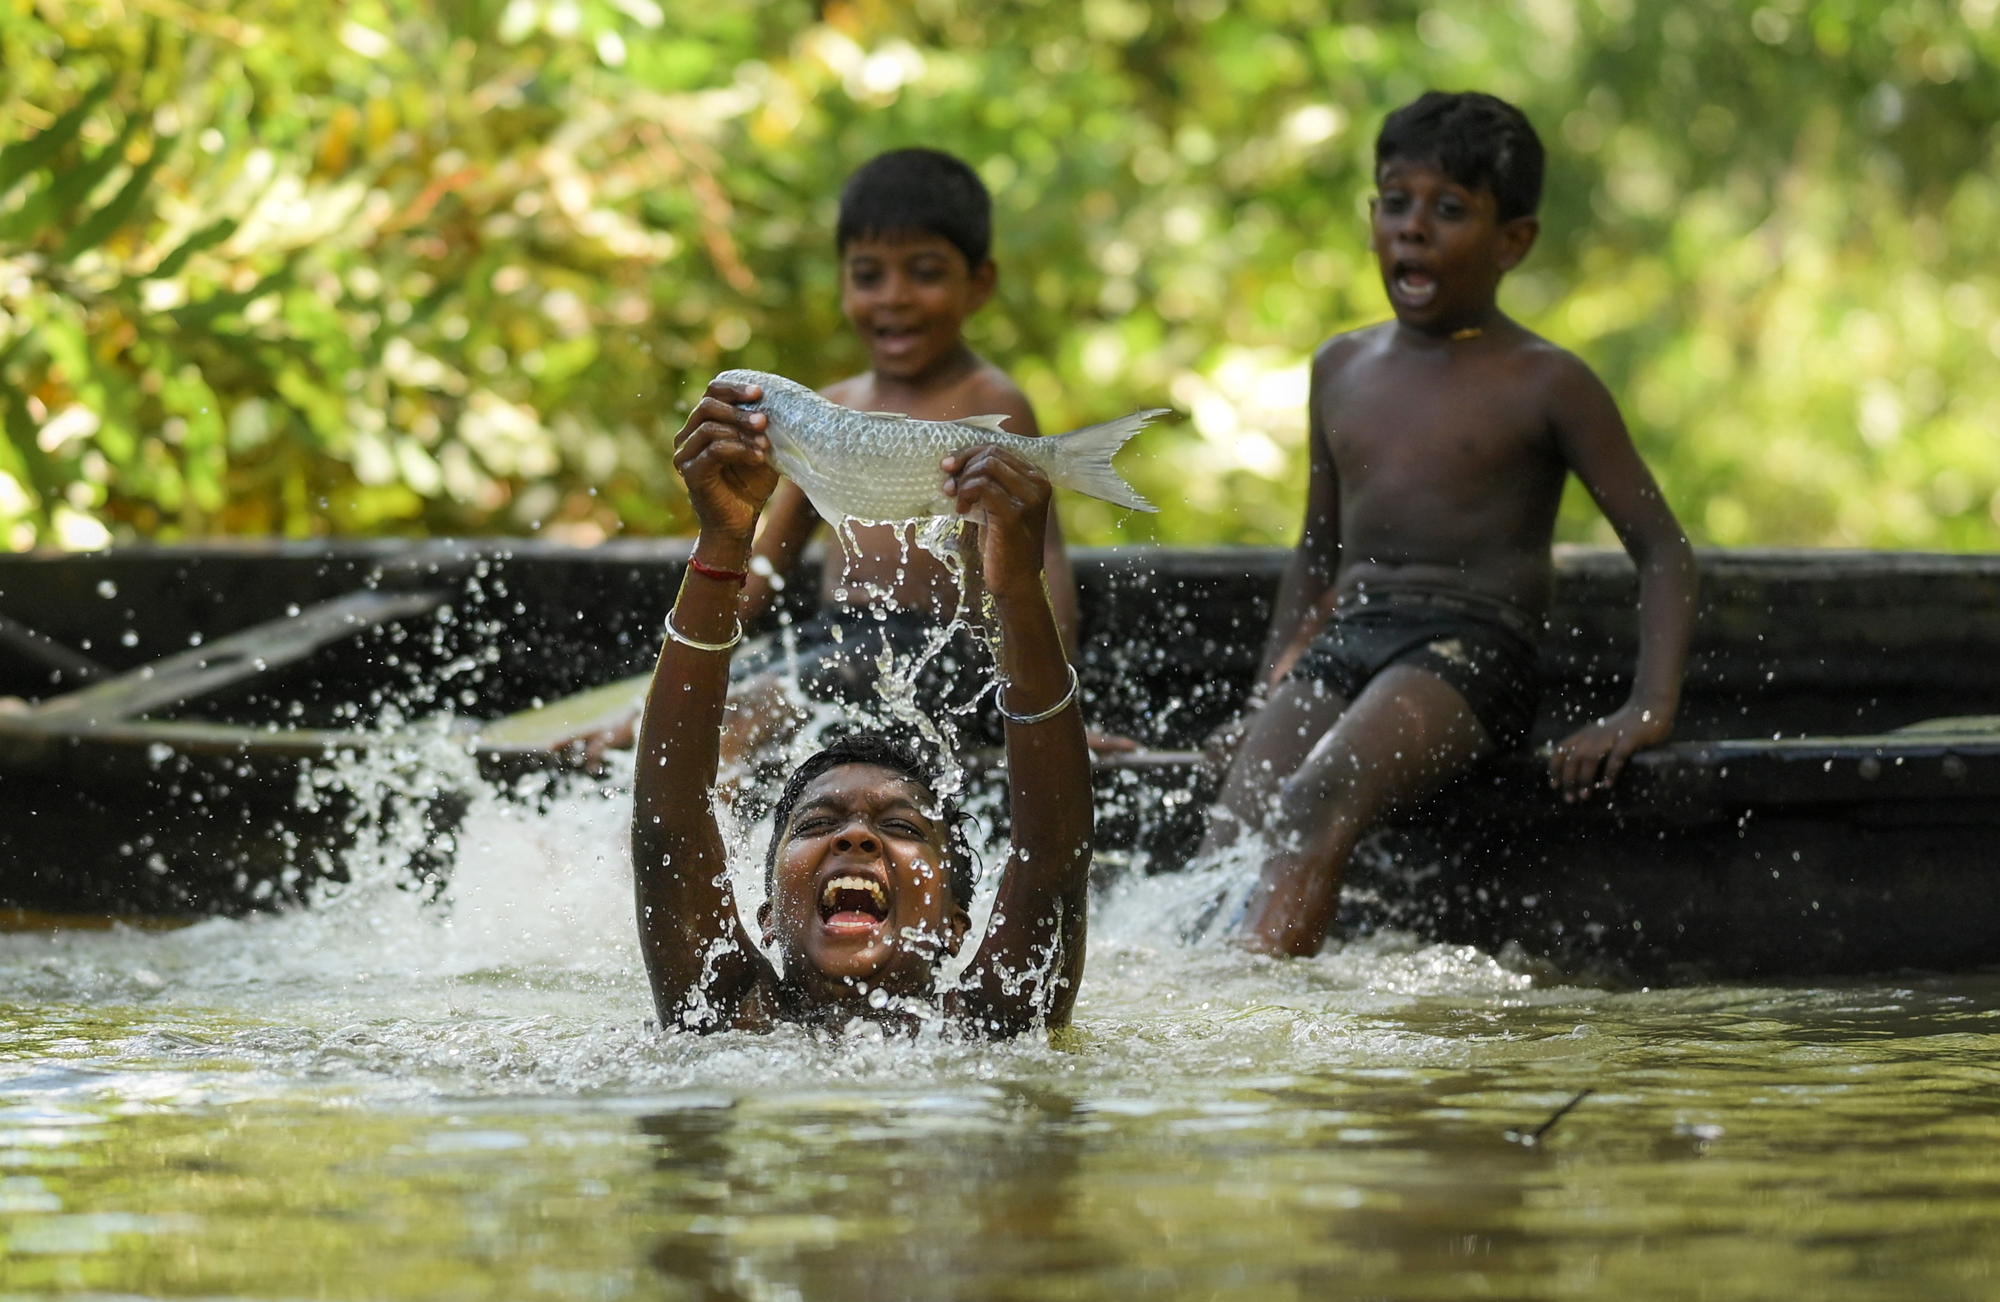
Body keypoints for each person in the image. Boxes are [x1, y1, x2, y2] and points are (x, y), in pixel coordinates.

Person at [1205, 91, 1699, 958]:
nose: (1414, 229)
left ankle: (1252, 1022)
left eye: (1450, 209)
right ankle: (1188, 1005)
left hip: (1471, 652)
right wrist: (1262, 696)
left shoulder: (1548, 381)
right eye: (1395, 204)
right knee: (1231, 832)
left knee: (1320, 799)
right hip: (1351, 639)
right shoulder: (1342, 365)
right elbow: (1317, 550)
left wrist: (1645, 708)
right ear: (1371, 220)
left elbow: (1661, 548)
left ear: (1514, 240)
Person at [583, 147, 1097, 767]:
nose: (895, 297)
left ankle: (698, 848)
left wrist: (1057, 707)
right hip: (831, 638)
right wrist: (692, 667)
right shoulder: (827, 411)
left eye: (926, 272)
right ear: (843, 283)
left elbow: (1041, 561)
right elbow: (765, 569)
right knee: (702, 699)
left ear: (978, 285)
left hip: (945, 654)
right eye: (868, 275)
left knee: (754, 711)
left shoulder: (991, 404)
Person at [633, 380, 1092, 1034]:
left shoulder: (998, 1017)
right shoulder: (727, 1008)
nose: (855, 836)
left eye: (904, 827)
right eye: (818, 823)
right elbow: (667, 827)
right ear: (766, 917)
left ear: (957, 926)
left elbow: (1052, 858)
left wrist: (1016, 587)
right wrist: (723, 539)